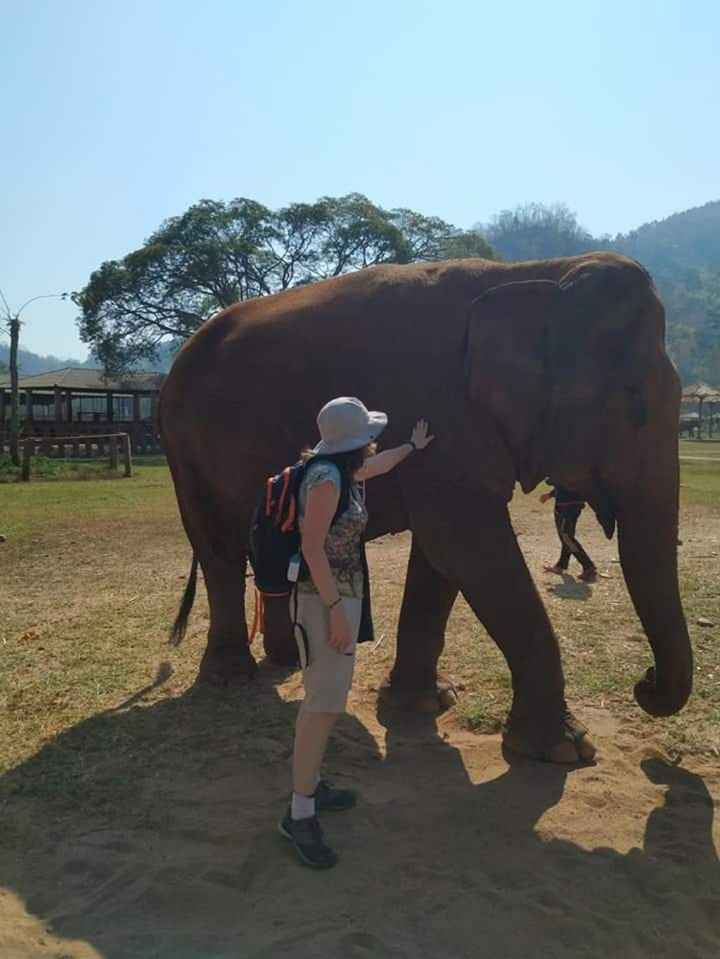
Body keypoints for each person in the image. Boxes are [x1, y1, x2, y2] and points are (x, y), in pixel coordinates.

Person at [278, 397, 434, 868]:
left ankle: (311, 785)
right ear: (356, 442)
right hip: (323, 599)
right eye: (369, 437)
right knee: (324, 704)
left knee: (324, 699)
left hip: (335, 596)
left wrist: (411, 446)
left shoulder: (341, 470)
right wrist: (336, 612)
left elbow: (379, 466)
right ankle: (299, 812)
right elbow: (311, 547)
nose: (374, 444)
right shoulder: (327, 480)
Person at [539, 485, 597, 582]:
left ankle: (588, 566)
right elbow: (562, 480)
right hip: (566, 504)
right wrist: (550, 494)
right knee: (565, 537)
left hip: (569, 506)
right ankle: (561, 565)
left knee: (566, 536)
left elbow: (568, 479)